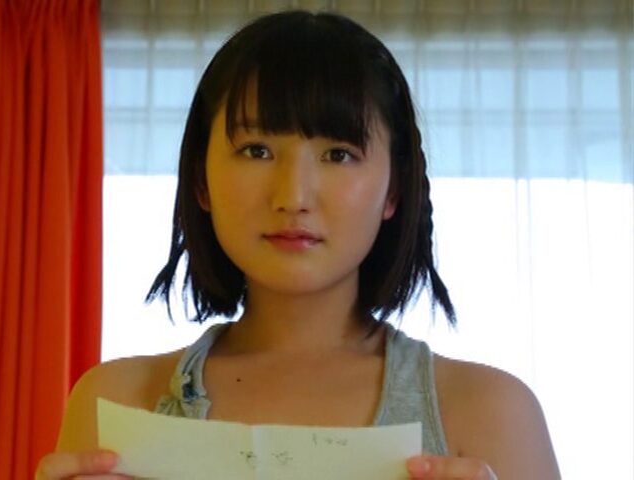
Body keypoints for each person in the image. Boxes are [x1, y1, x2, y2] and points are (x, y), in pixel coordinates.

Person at [36, 10, 560, 480]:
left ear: (393, 191)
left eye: (338, 154)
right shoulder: (114, 403)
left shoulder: (492, 413)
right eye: (257, 150)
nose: (293, 196)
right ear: (201, 180)